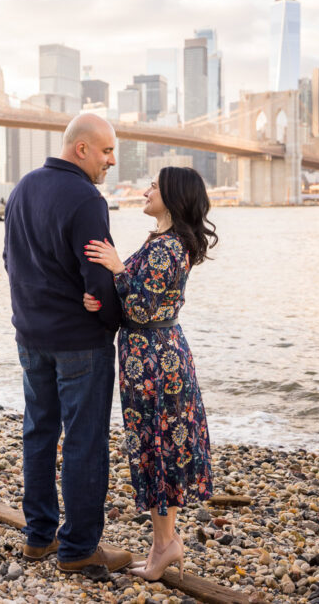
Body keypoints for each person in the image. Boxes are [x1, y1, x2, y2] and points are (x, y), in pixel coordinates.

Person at [3, 113, 132, 574]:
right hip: (80, 342)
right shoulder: (86, 199)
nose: (112, 161)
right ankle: (78, 549)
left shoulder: (21, 190)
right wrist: (117, 321)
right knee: (84, 441)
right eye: (106, 151)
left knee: (38, 432)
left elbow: (9, 261)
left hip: (31, 337)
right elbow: (98, 280)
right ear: (81, 149)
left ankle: (38, 537)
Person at [83, 166, 217, 582]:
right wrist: (105, 299)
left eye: (154, 187)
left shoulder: (168, 247)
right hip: (153, 355)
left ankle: (165, 545)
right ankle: (164, 543)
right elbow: (141, 303)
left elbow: (141, 308)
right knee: (158, 448)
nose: (145, 191)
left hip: (157, 362)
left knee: (161, 448)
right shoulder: (164, 241)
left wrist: (118, 268)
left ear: (173, 196)